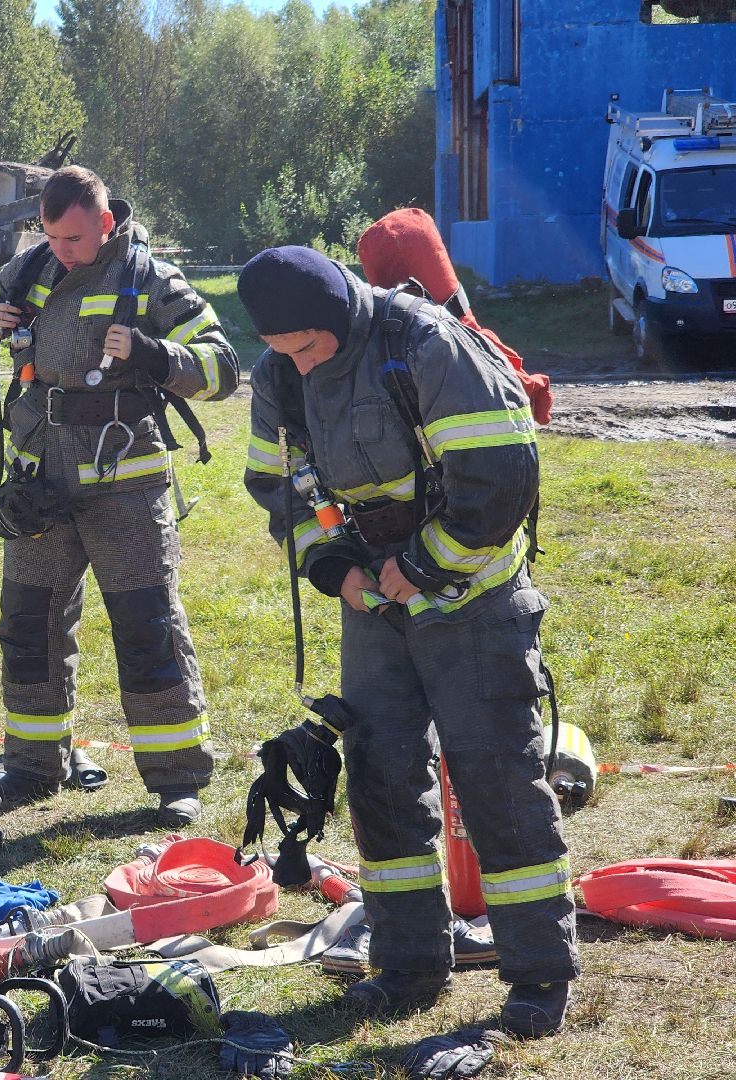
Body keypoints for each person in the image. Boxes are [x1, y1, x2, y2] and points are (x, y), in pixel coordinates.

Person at [237, 246, 578, 1039]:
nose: (301, 364)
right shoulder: (281, 370)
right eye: (285, 350)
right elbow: (278, 485)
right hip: (374, 603)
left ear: (339, 313)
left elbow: (500, 476)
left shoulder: (424, 345)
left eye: (311, 347)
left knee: (498, 778)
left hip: (473, 596)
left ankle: (538, 977)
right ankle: (410, 963)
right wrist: (333, 568)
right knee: (382, 776)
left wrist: (424, 566)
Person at [0, 166, 239, 827]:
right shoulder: (32, 269)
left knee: (147, 627)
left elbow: (223, 365)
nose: (61, 249)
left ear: (105, 224)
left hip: (126, 487)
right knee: (28, 626)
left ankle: (176, 779)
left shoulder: (148, 278)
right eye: (49, 235)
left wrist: (154, 356)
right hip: (38, 486)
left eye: (74, 238)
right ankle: (31, 765)